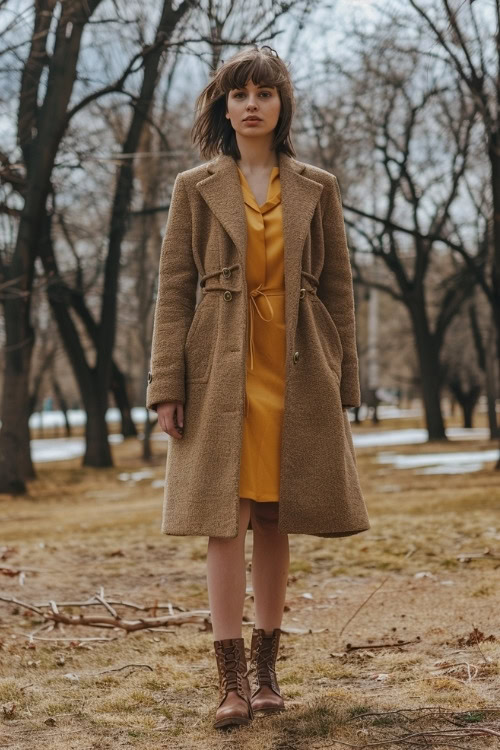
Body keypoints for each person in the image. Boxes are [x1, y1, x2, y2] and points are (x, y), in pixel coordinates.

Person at [146, 45, 370, 730]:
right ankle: (231, 684)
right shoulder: (195, 187)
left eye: (263, 93)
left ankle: (270, 676)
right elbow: (174, 290)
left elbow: (338, 288)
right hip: (217, 371)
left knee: (275, 516)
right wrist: (166, 387)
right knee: (226, 518)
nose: (251, 103)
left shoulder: (317, 186)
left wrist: (345, 381)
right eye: (238, 93)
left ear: (281, 105)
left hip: (295, 369)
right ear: (222, 106)